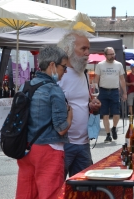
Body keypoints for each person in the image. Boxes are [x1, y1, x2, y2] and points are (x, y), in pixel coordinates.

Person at [16, 45, 73, 199]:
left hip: (25, 148)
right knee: (50, 194)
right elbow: (61, 128)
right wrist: (70, 115)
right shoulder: (54, 89)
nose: (65, 72)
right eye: (64, 67)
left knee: (26, 194)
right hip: (48, 150)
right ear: (52, 65)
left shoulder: (25, 86)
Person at [57, 30, 101, 178]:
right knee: (57, 188)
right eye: (83, 48)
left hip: (83, 143)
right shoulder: (57, 74)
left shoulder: (83, 73)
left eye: (88, 48)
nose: (87, 53)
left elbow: (82, 103)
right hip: (63, 144)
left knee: (84, 190)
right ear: (68, 50)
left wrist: (91, 106)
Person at [94, 47, 127, 143]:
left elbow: (122, 79)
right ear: (105, 55)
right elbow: (96, 79)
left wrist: (124, 92)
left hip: (114, 91)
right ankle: (108, 134)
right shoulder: (100, 65)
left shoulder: (118, 65)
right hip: (103, 91)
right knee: (105, 114)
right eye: (110, 54)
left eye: (113, 54)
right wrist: (95, 93)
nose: (113, 56)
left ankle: (114, 127)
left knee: (116, 113)